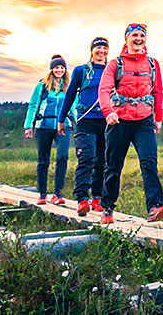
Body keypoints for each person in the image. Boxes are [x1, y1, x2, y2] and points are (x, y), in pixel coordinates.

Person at [97, 23, 163, 224]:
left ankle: (155, 207)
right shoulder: (115, 64)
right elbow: (104, 89)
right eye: (134, 35)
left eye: (142, 35)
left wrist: (158, 118)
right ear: (127, 39)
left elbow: (158, 92)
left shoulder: (153, 64)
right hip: (118, 120)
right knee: (113, 166)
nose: (139, 39)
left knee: (149, 163)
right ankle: (108, 208)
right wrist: (108, 112)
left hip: (144, 120)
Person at [59, 36, 110, 216]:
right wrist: (61, 119)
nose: (101, 52)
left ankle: (97, 198)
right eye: (98, 48)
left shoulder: (111, 70)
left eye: (105, 49)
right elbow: (70, 95)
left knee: (102, 161)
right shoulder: (81, 71)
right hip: (85, 121)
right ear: (92, 50)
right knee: (86, 158)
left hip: (106, 121)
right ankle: (81, 199)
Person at [23, 54, 74, 205]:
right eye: (56, 67)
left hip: (64, 125)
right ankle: (42, 194)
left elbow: (75, 106)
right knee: (43, 160)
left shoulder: (70, 86)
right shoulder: (42, 86)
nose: (59, 70)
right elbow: (33, 106)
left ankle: (57, 194)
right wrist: (28, 125)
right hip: (43, 125)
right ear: (51, 70)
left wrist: (81, 124)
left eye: (62, 68)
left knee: (62, 157)